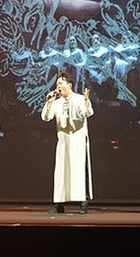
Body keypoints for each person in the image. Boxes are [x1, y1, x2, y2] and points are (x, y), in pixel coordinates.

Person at [41, 71, 94, 214]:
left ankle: (83, 201)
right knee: (61, 171)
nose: (58, 87)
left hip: (77, 140)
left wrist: (86, 101)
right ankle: (59, 203)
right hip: (63, 141)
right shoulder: (56, 102)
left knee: (78, 170)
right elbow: (46, 117)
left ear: (69, 85)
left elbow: (88, 113)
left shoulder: (79, 98)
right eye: (57, 84)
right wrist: (49, 101)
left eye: (60, 84)